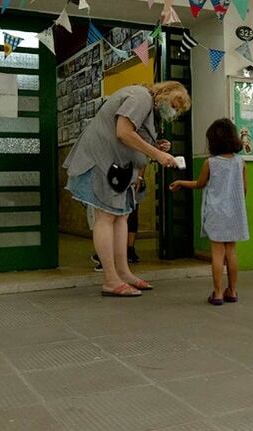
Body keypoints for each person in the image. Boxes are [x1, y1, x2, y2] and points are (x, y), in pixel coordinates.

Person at [65, 81, 190, 297]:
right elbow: (123, 132)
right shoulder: (141, 97)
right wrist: (156, 154)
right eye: (174, 105)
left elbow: (133, 135)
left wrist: (156, 145)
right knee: (105, 217)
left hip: (114, 166)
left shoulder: (146, 104)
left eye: (178, 110)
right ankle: (111, 279)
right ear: (164, 94)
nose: (174, 111)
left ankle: (123, 273)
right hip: (101, 162)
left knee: (121, 216)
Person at [170, 119, 248, 306]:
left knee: (217, 253)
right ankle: (233, 291)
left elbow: (200, 184)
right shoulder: (241, 163)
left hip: (216, 213)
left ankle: (218, 292)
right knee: (232, 252)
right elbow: (244, 190)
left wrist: (181, 183)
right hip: (235, 213)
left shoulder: (210, 163)